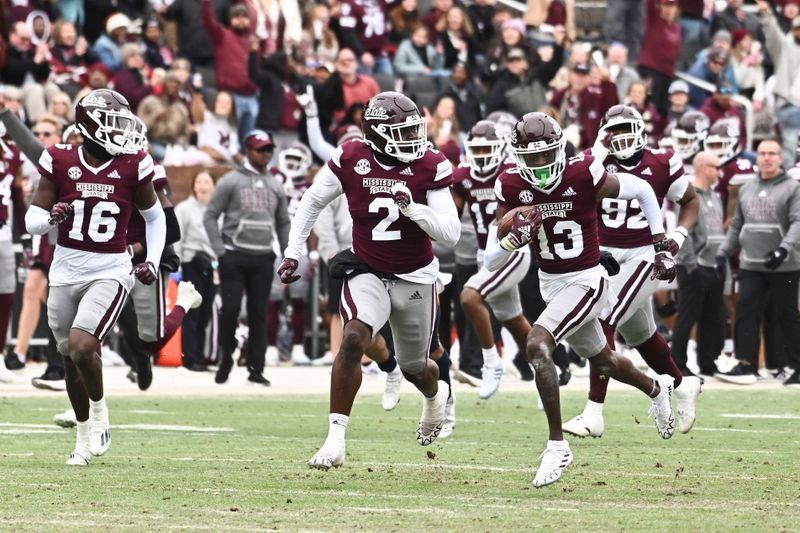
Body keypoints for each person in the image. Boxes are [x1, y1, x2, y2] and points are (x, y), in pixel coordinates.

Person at [485, 111, 676, 487]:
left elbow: (641, 190)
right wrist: (512, 239)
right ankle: (657, 389)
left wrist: (659, 243)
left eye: (546, 154)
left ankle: (557, 447)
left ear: (559, 149)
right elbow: (491, 258)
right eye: (532, 157)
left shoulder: (582, 172)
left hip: (588, 280)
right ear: (517, 156)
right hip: (551, 283)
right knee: (604, 361)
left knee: (538, 345)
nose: (540, 165)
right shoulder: (509, 184)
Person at [278, 91, 460, 468]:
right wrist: (294, 251)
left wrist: (413, 209)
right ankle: (335, 439)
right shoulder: (350, 158)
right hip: (368, 268)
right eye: (404, 132)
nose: (414, 141)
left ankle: (433, 397)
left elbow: (450, 232)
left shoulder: (430, 163)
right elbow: (312, 201)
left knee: (417, 369)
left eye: (415, 131)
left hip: (416, 277)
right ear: (377, 134)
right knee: (354, 340)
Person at [23, 89, 166, 465]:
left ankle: (101, 412)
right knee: (70, 357)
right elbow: (32, 219)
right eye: (114, 123)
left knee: (83, 344)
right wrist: (52, 217)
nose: (123, 132)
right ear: (88, 126)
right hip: (66, 268)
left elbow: (155, 217)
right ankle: (83, 440)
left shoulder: (135, 163)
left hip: (110, 269)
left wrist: (151, 258)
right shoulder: (59, 158)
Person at [562, 105, 702, 438]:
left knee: (604, 315)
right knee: (640, 334)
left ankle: (594, 412)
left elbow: (691, 200)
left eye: (627, 128)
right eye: (614, 131)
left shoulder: (662, 161)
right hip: (609, 255)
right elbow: (579, 183)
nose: (621, 137)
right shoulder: (595, 163)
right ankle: (682, 385)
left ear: (640, 128)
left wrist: (677, 237)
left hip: (647, 254)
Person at [451, 120, 533, 400]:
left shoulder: (512, 173)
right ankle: (547, 366)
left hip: (511, 248)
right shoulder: (462, 176)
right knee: (513, 318)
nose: (483, 155)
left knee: (469, 297)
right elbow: (452, 215)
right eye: (478, 149)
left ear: (500, 148)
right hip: (482, 254)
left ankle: (491, 362)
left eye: (488, 148)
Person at [203, 130, 290, 386]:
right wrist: (220, 251)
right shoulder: (230, 181)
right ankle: (226, 358)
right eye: (261, 149)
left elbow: (283, 222)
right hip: (234, 255)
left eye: (269, 149)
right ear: (247, 152)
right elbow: (210, 215)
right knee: (230, 311)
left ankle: (256, 368)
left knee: (258, 314)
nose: (266, 154)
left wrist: (288, 255)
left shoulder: (275, 185)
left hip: (263, 257)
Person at [715, 138, 800, 386]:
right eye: (762, 153)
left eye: (772, 153)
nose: (767, 158)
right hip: (751, 262)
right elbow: (737, 224)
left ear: (780, 157)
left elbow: (797, 222)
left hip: (784, 263)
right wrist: (723, 251)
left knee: (786, 314)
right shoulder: (747, 188)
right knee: (746, 312)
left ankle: (797, 366)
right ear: (757, 157)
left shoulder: (792, 188)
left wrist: (784, 250)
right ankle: (746, 365)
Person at [672, 151, 726, 377]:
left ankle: (708, 362)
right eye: (716, 167)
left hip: (713, 265)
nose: (719, 172)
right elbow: (683, 232)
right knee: (687, 316)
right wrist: (692, 266)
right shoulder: (688, 195)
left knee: (713, 318)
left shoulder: (715, 197)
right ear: (704, 167)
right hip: (693, 267)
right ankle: (678, 363)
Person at [175, 171, 217, 371]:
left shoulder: (218, 210)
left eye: (207, 182)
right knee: (192, 313)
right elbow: (178, 238)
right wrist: (177, 265)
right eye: (199, 181)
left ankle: (201, 356)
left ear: (213, 186)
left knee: (205, 313)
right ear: (193, 185)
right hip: (191, 263)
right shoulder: (184, 209)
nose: (203, 185)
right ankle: (189, 358)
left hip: (212, 266)